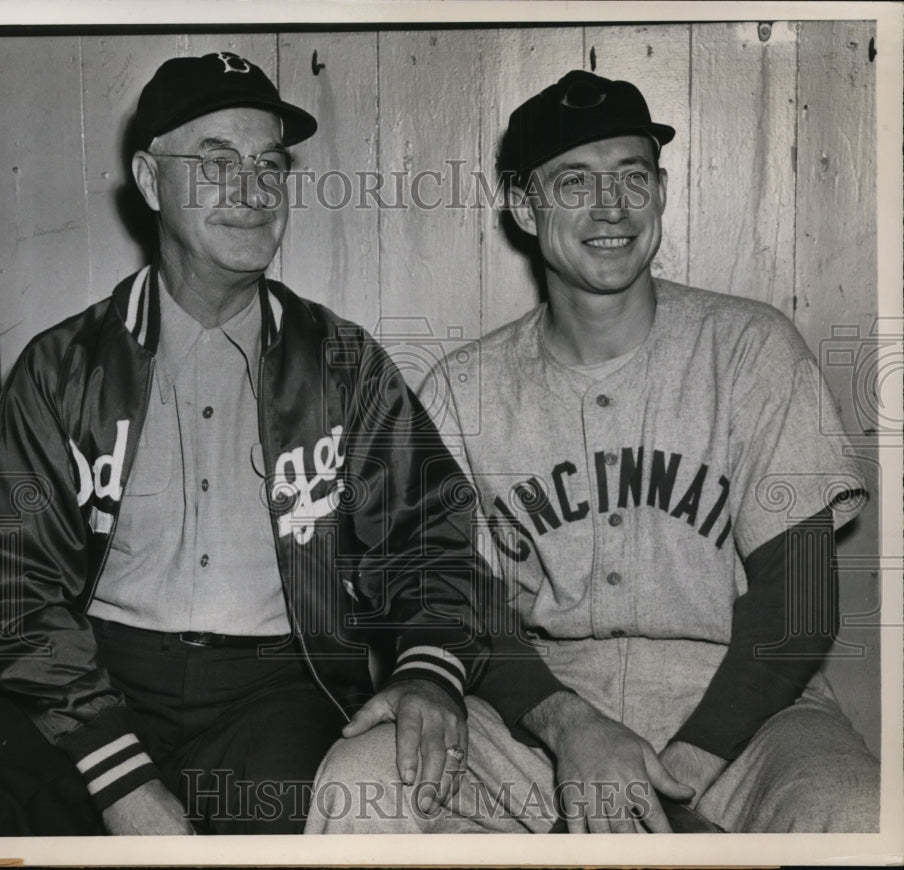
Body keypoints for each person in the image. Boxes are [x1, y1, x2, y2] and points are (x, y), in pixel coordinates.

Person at [0, 51, 503, 837]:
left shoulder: (344, 363)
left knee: (319, 818)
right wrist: (120, 778)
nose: (252, 189)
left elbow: (430, 536)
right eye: (215, 162)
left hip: (279, 683)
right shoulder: (64, 366)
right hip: (92, 678)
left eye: (269, 165)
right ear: (147, 178)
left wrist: (428, 671)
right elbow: (7, 592)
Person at [306, 69, 880, 834]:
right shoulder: (463, 389)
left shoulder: (751, 350)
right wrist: (570, 728)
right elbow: (454, 604)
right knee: (365, 784)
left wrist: (673, 780)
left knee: (858, 813)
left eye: (631, 176)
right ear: (522, 204)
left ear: (662, 192)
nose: (610, 207)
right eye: (573, 180)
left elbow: (799, 608)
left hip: (747, 714)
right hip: (536, 710)